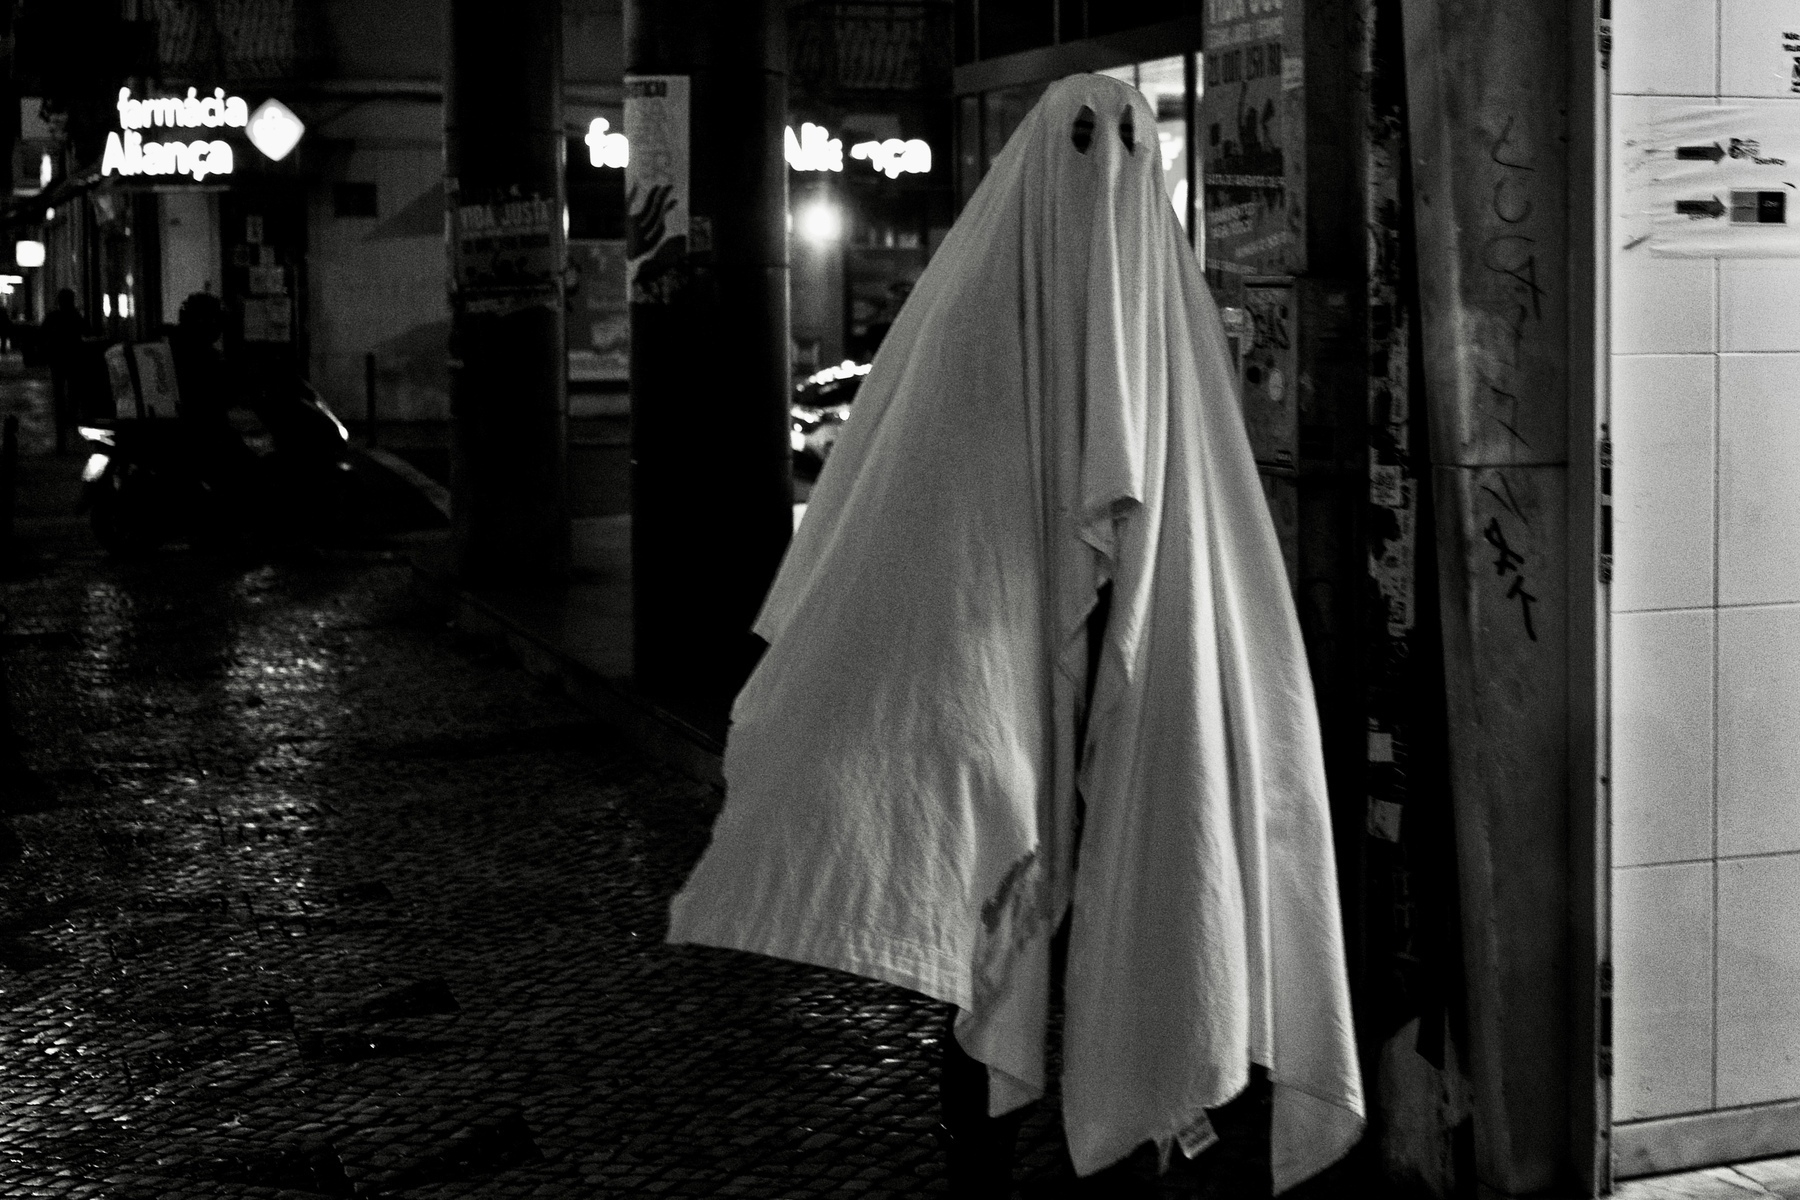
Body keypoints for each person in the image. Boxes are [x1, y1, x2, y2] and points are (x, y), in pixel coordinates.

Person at [665, 74, 1364, 1196]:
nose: (1107, 165)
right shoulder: (978, 332)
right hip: (996, 709)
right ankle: (988, 1146)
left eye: (1126, 140)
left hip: (1131, 706)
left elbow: (1198, 536)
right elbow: (910, 526)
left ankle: (1133, 1121)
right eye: (1083, 140)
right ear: (1042, 163)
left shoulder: (1158, 332)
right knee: (993, 948)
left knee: (1140, 917)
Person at [38, 289, 84, 454]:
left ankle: (61, 418)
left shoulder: (53, 317)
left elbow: (42, 335)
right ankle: (71, 416)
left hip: (57, 360)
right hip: (73, 359)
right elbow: (85, 332)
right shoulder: (76, 316)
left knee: (59, 391)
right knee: (73, 389)